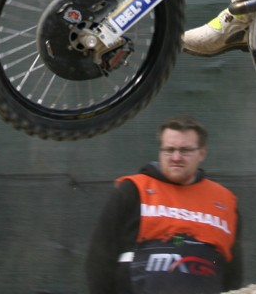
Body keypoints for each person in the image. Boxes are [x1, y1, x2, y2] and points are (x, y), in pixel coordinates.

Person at [85, 115, 242, 293]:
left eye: (185, 150)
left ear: (202, 153)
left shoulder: (224, 201)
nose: (176, 157)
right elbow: (100, 257)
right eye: (169, 150)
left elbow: (233, 273)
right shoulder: (133, 190)